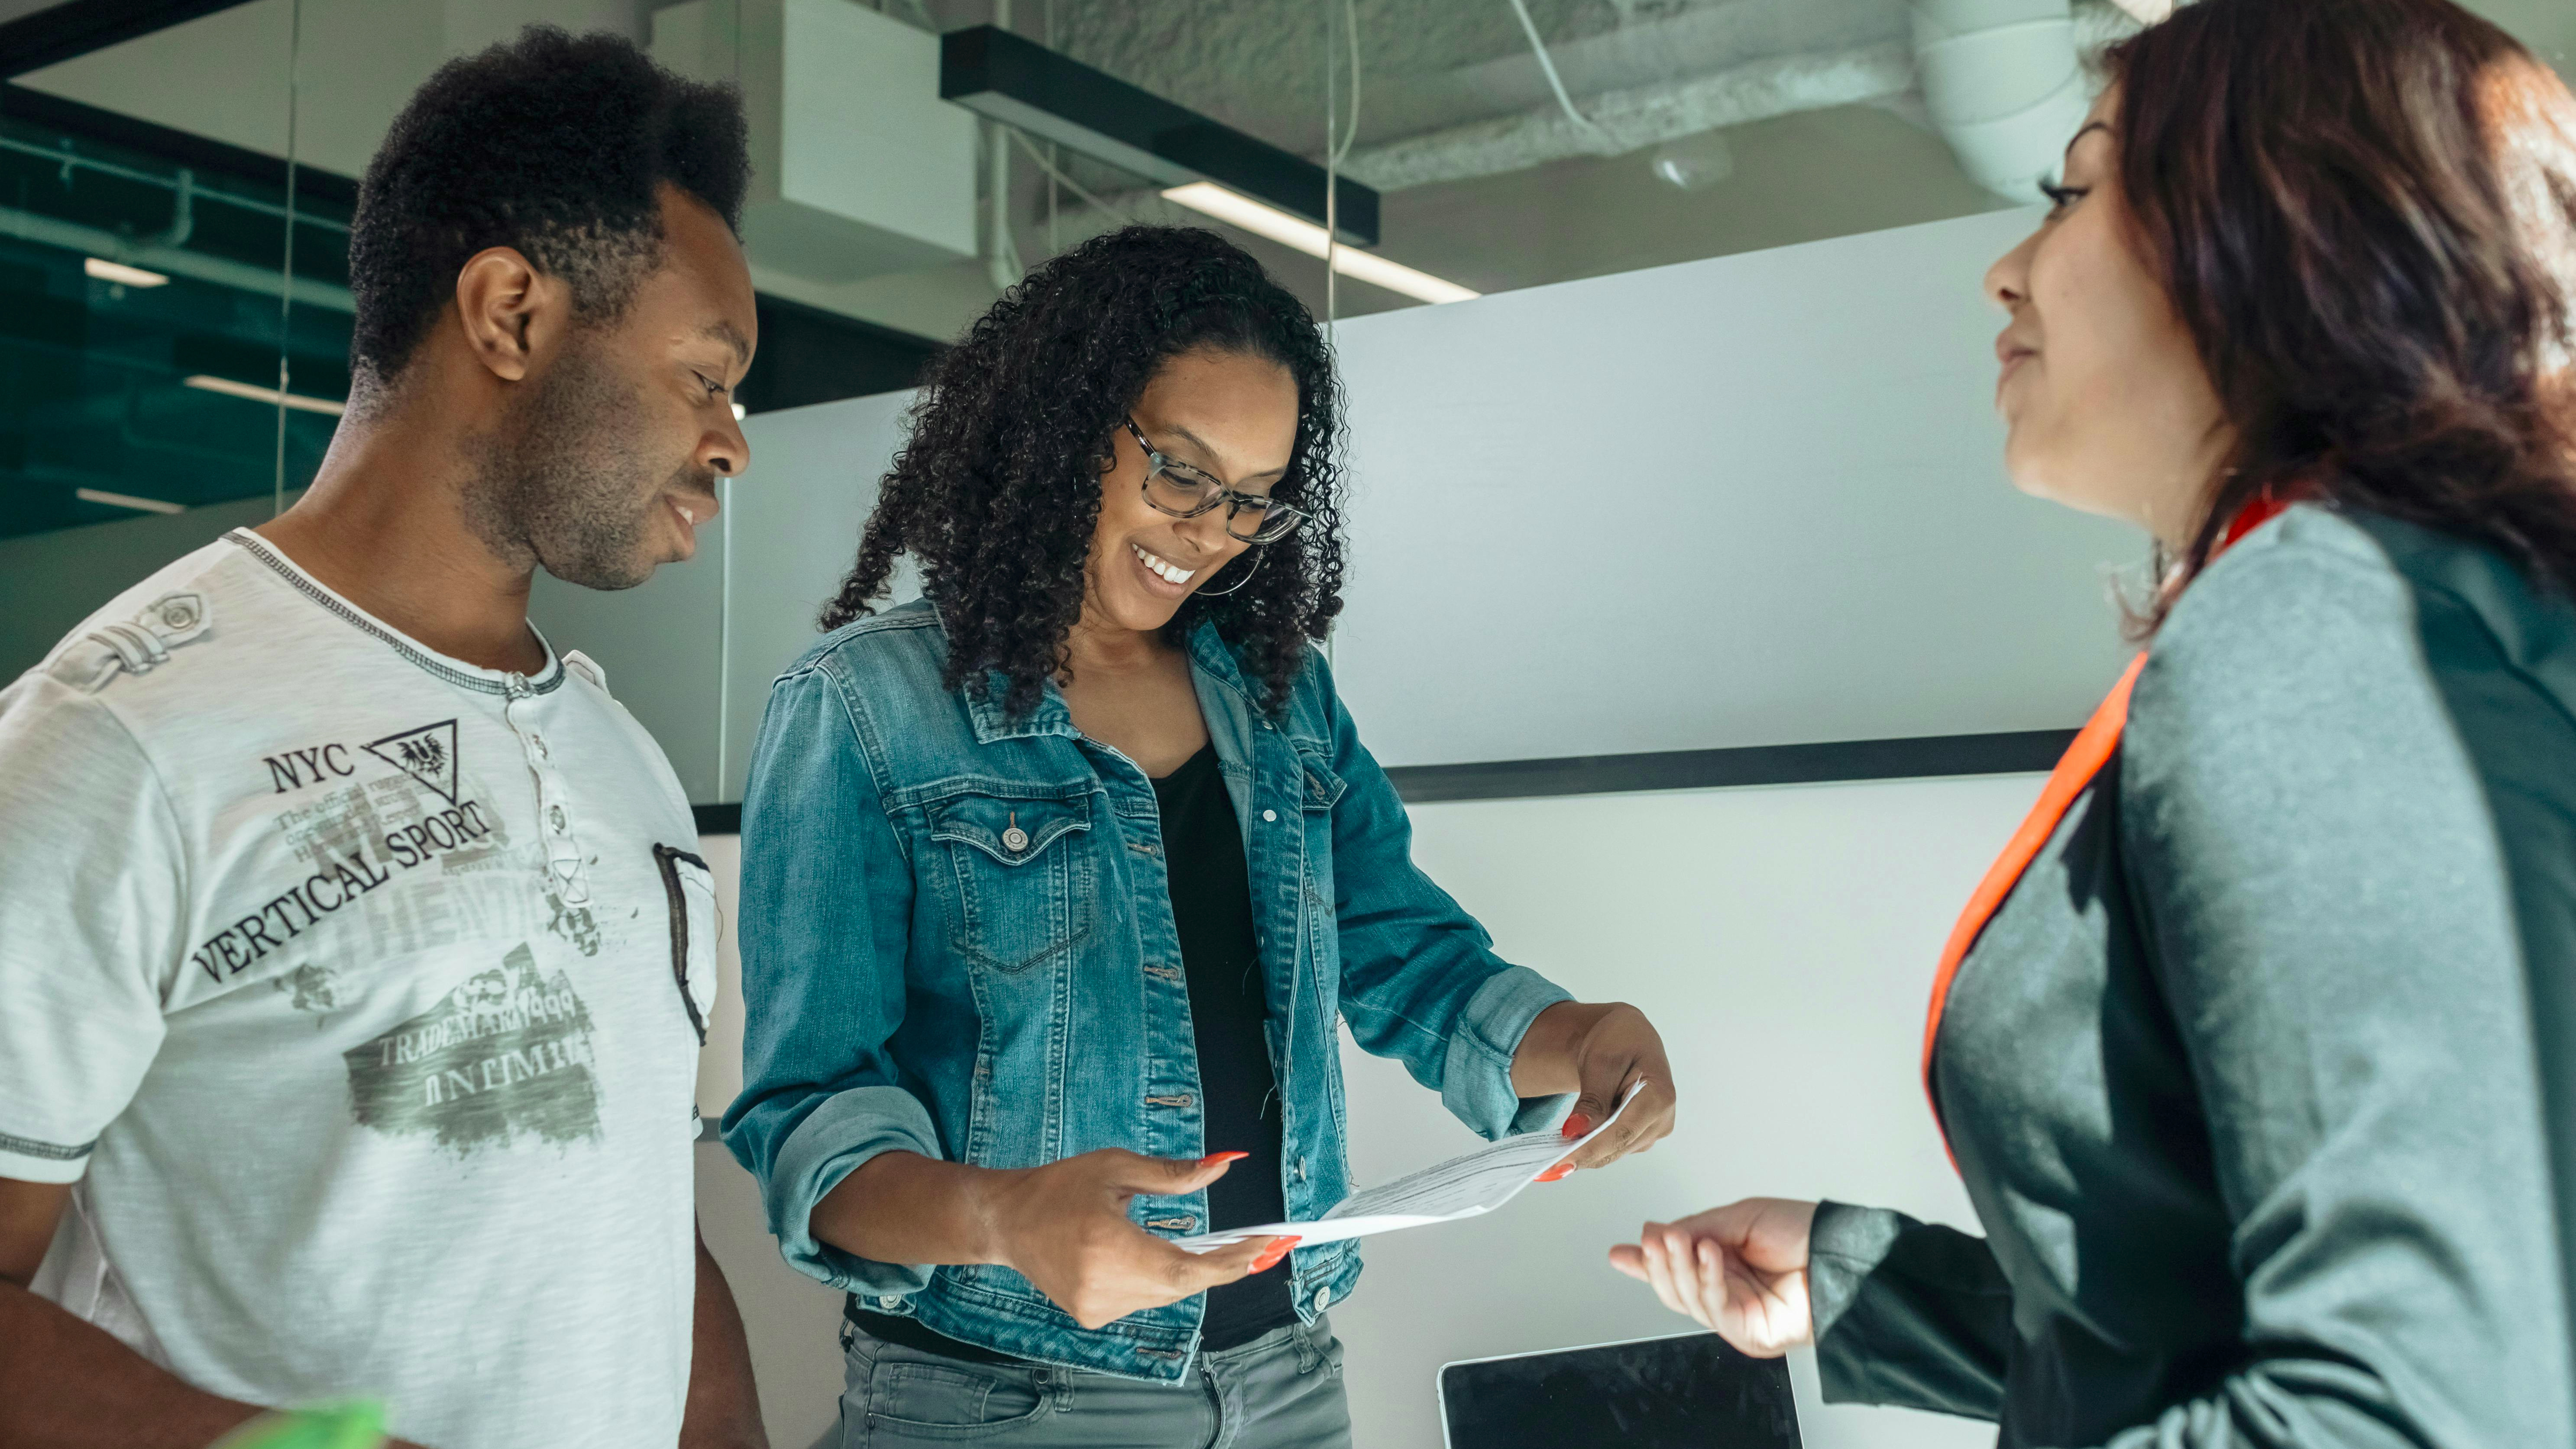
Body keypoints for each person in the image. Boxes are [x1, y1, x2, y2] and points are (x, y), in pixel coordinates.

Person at [1610, 1, 2576, 1443]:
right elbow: (2223, 1331)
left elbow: (2409, 1412)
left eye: (2069, 194)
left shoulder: (2315, 629)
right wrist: (1858, 1280)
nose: (2003, 271)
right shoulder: (2423, 609)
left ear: (2266, 232)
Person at [726, 224, 1678, 1446]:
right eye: (1180, 471)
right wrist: (1007, 1219)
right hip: (1008, 1398)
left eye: (1251, 502)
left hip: (1285, 1381)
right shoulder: (866, 708)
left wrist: (1582, 1036)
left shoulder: (1278, 699)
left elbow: (1410, 959)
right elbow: (808, 1112)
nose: (1208, 533)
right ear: (1064, 424)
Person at [0, 29, 768, 1449]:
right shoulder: (122, 735)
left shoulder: (620, 758)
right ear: (511, 315)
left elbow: (639, 1212)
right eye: (706, 375)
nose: (732, 442)